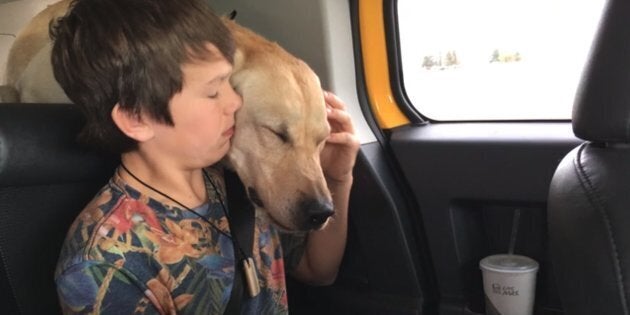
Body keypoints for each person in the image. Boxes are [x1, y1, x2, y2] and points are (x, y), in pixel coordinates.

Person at [51, 0, 360, 314]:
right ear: (137, 118)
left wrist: (338, 178)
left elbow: (318, 271)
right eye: (214, 91)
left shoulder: (237, 181)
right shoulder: (104, 264)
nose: (235, 102)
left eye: (229, 80)